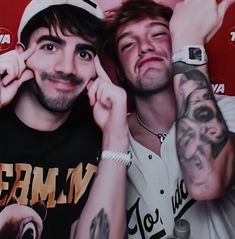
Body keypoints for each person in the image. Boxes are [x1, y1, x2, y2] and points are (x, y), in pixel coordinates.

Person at [104, 0, 235, 238]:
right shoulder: (107, 138)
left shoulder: (229, 112)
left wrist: (189, 43)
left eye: (158, 34)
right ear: (120, 72)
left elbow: (205, 180)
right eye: (128, 44)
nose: (144, 47)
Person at [0, 0, 130, 238]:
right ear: (20, 54)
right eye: (50, 47)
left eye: (83, 53)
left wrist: (115, 140)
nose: (67, 67)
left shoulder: (96, 139)